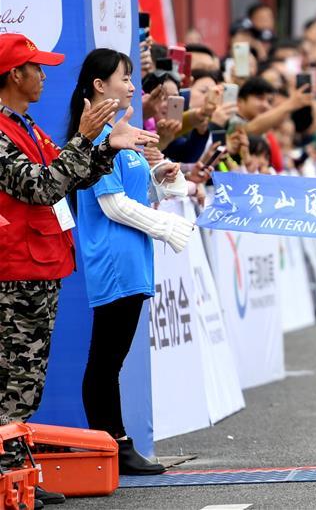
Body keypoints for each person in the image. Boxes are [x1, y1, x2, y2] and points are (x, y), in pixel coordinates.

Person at [0, 34, 157, 507]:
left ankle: (17, 474)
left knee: (25, 383)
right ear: (14, 75)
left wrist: (107, 148)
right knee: (12, 380)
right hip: (14, 271)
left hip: (39, 267)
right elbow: (41, 186)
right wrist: (88, 140)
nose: (44, 77)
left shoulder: (26, 126)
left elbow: (74, 174)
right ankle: (8, 475)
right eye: (36, 69)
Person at [65, 48, 195, 476]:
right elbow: (113, 205)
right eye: (125, 77)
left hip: (133, 254)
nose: (132, 85)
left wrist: (160, 178)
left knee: (111, 356)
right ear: (99, 85)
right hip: (115, 256)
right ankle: (114, 444)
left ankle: (112, 445)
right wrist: (167, 228)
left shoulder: (122, 134)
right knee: (106, 358)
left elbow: (135, 193)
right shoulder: (98, 138)